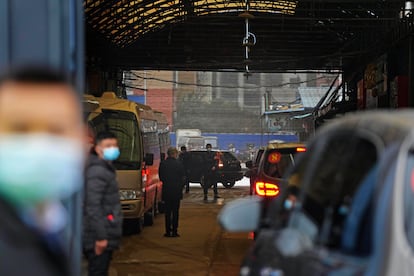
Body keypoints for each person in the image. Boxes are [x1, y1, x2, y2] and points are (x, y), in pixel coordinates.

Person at [0, 66, 85, 275]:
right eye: (20, 129)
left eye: (56, 130)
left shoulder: (50, 229)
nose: (39, 144)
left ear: (83, 139)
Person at [83, 131, 123, 276]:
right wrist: (101, 237)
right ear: (98, 149)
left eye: (114, 145)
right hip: (96, 236)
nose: (112, 149)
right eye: (108, 146)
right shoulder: (97, 171)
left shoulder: (104, 169)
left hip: (103, 232)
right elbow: (93, 206)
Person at [159, 147, 185, 237]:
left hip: (166, 191)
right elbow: (183, 178)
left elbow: (161, 177)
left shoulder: (163, 164)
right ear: (175, 154)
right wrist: (180, 187)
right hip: (176, 192)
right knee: (175, 212)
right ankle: (174, 231)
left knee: (167, 212)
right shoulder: (179, 164)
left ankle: (167, 231)